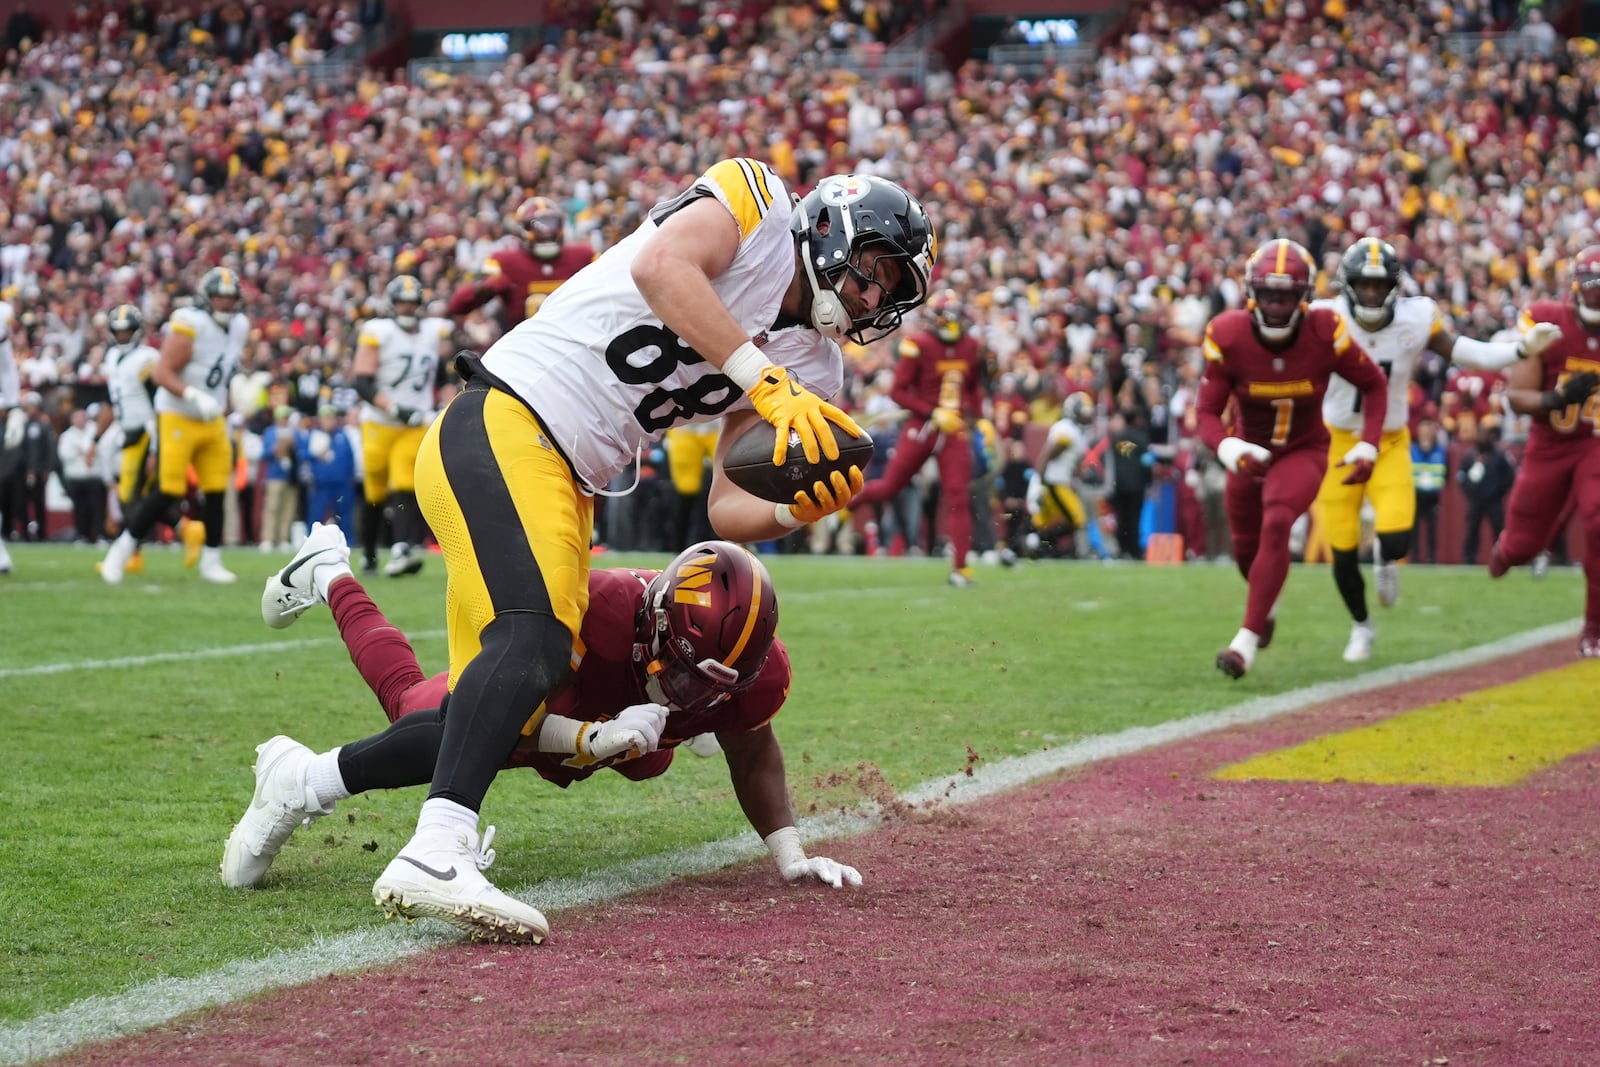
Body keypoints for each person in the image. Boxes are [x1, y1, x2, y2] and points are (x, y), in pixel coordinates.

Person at [371, 162, 933, 942]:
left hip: (569, 475)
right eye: (875, 275)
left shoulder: (814, 365)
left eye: (889, 294)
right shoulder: (758, 201)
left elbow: (723, 509)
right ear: (836, 231)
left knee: (513, 701)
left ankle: (299, 781)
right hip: (511, 417)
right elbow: (659, 266)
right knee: (531, 640)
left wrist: (793, 507)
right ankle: (436, 850)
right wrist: (762, 381)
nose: (873, 300)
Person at [226, 530, 860, 934]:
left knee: (650, 756)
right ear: (655, 625)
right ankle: (329, 576)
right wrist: (592, 738)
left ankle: (651, 738)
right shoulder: (597, 611)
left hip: (608, 706)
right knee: (440, 721)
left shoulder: (754, 672)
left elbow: (752, 749)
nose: (694, 696)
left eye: (713, 690)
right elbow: (510, 722)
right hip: (540, 681)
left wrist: (790, 856)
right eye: (689, 678)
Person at [1312, 236, 1562, 662]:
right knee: (1341, 548)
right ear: (1348, 284)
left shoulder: (1415, 317)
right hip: (1337, 440)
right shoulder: (1323, 319)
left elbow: (1466, 353)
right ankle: (1361, 627)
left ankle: (1386, 562)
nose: (1372, 293)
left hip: (1389, 441)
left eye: (1379, 284)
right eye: (1364, 284)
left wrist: (1518, 350)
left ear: (1394, 285)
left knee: (1397, 538)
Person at [1196, 238, 1389, 679]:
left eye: (1285, 295)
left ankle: (1244, 643)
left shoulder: (1325, 331)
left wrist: (1368, 443)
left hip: (1304, 449)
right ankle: (1265, 610)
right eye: (1268, 294)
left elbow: (1374, 385)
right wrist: (1229, 447)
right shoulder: (1228, 334)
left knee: (1279, 519)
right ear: (1251, 292)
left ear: (1304, 296)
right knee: (1246, 549)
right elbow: (1206, 411)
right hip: (1247, 452)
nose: (1276, 304)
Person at [100, 267, 246, 584]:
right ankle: (121, 551)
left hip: (213, 418)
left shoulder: (240, 326)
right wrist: (194, 395)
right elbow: (162, 373)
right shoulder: (191, 322)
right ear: (207, 298)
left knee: (217, 490)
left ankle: (211, 560)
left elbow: (223, 371)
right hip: (178, 413)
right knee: (168, 489)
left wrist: (228, 401)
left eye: (230, 298)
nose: (225, 304)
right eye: (219, 297)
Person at [1489, 245, 1600, 657]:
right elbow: (1518, 396)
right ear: (1576, 286)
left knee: (1597, 522)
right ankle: (1507, 551)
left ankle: (1594, 627)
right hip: (1551, 442)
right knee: (1521, 546)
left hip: (1595, 441)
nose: (1599, 293)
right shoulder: (1548, 321)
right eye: (1593, 284)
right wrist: (1556, 398)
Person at [848, 288, 984, 585]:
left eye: (957, 318)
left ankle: (960, 567)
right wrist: (932, 412)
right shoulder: (918, 344)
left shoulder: (970, 345)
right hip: (923, 425)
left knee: (958, 496)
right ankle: (843, 504)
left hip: (953, 428)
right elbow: (897, 392)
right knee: (888, 488)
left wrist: (978, 416)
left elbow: (973, 387)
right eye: (949, 317)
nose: (954, 324)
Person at [351, 275, 451, 576]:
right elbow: (362, 382)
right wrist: (394, 407)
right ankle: (369, 552)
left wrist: (448, 407)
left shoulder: (435, 332)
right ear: (392, 305)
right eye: (402, 302)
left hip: (415, 422)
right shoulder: (377, 331)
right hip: (380, 423)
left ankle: (401, 548)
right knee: (375, 491)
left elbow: (443, 378)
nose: (408, 307)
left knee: (406, 481)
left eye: (412, 302)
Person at [446, 196, 596, 337]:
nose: (547, 232)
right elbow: (456, 306)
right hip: (523, 348)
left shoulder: (584, 255)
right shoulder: (505, 261)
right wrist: (486, 288)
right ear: (522, 229)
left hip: (575, 341)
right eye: (539, 225)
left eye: (552, 223)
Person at [100, 303, 162, 573]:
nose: (123, 336)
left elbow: (158, 403)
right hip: (125, 429)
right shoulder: (112, 356)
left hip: (147, 430)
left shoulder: (147, 358)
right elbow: (111, 400)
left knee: (131, 493)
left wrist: (156, 448)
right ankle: (186, 530)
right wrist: (95, 439)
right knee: (139, 495)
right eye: (119, 331)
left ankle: (132, 551)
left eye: (127, 331)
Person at [1410, 415, 1449, 564]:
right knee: (1414, 529)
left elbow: (1447, 472)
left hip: (1433, 495)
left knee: (1432, 529)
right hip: (1416, 494)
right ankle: (1414, 557)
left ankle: (1431, 557)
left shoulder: (1440, 450)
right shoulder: (1412, 448)